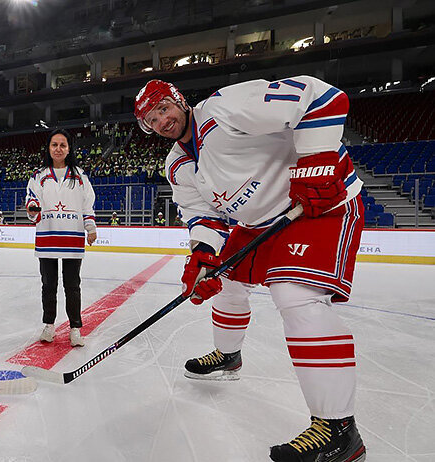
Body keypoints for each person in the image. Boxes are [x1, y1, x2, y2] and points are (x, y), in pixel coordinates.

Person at [134, 77, 365, 462]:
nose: (160, 121)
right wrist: (202, 257)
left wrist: (318, 159)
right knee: (222, 278)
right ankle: (228, 355)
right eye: (150, 120)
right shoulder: (175, 164)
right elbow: (202, 215)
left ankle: (339, 428)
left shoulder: (224, 107)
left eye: (162, 109)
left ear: (178, 100)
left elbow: (321, 97)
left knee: (296, 297)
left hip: (317, 206)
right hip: (258, 223)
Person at [25, 128, 96, 347]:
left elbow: (88, 202)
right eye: (54, 144)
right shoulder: (39, 175)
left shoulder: (80, 175)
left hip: (72, 237)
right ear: (48, 148)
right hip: (47, 236)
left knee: (72, 285)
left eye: (62, 145)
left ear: (68, 148)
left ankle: (75, 328)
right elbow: (31, 198)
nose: (58, 149)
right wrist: (33, 209)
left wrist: (90, 226)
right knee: (48, 285)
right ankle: (49, 325)